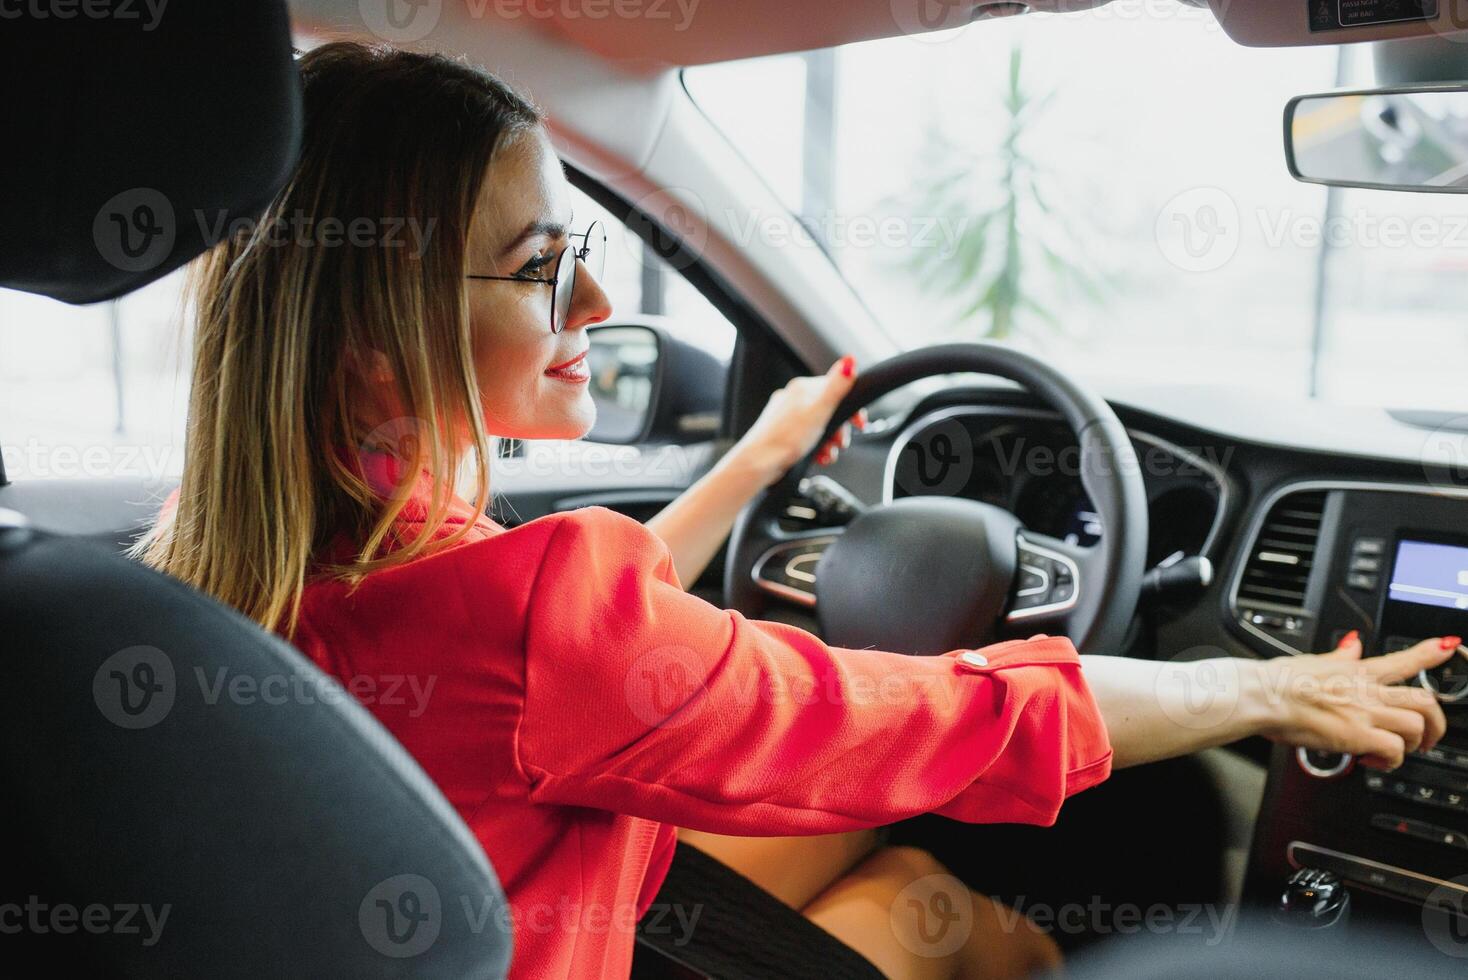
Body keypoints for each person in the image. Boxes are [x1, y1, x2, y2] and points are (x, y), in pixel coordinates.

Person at [134, 42, 1456, 980]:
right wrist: (1271, 692)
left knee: (875, 842)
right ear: (376, 341)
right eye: (545, 270)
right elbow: (951, 717)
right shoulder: (535, 620)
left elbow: (550, 649)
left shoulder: (229, 546)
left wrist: (759, 464)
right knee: (930, 903)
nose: (597, 311)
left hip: (488, 906)